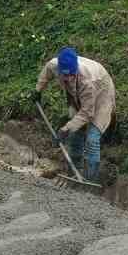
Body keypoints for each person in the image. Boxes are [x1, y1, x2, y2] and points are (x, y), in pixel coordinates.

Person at [33, 46, 115, 183]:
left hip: (102, 93)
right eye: (64, 75)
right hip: (78, 94)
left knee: (92, 138)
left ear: (75, 70)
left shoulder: (87, 81)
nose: (68, 78)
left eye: (70, 75)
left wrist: (65, 129)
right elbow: (46, 71)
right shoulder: (55, 65)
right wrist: (38, 90)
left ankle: (90, 181)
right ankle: (75, 172)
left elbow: (87, 113)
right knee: (76, 134)